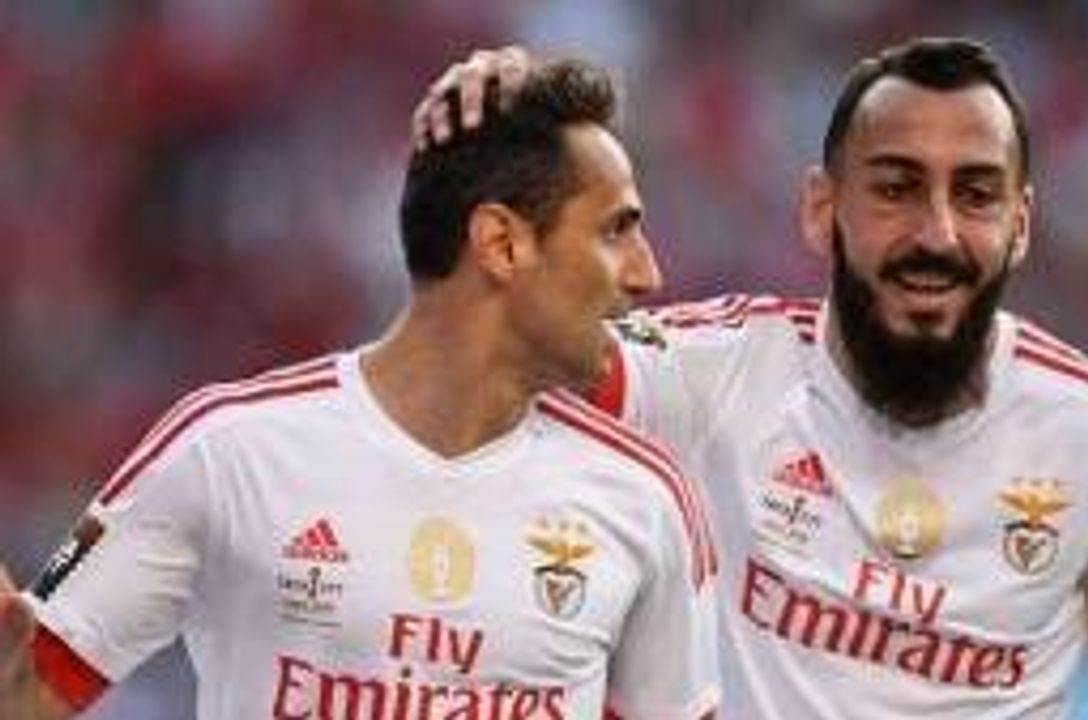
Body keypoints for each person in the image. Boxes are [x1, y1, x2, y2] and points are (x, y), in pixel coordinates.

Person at [418, 38, 1088, 718]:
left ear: (1020, 226)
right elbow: (505, 352)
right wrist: (510, 147)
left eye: (976, 194)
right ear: (822, 210)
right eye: (896, 189)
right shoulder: (713, 377)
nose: (937, 233)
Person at [0, 59, 720, 719]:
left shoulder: (646, 504)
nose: (647, 274)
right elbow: (26, 687)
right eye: (616, 231)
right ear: (502, 244)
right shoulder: (222, 451)